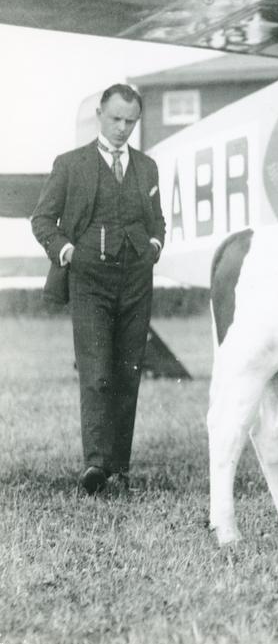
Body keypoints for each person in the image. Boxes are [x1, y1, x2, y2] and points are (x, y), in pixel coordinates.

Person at [31, 84, 166, 495]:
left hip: (137, 280)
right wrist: (68, 252)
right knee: (96, 374)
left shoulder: (147, 167)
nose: (123, 129)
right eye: (115, 120)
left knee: (128, 373)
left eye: (130, 122)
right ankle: (95, 465)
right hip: (89, 281)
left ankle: (119, 468)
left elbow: (157, 221)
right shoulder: (70, 164)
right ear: (100, 116)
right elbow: (42, 220)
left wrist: (155, 247)